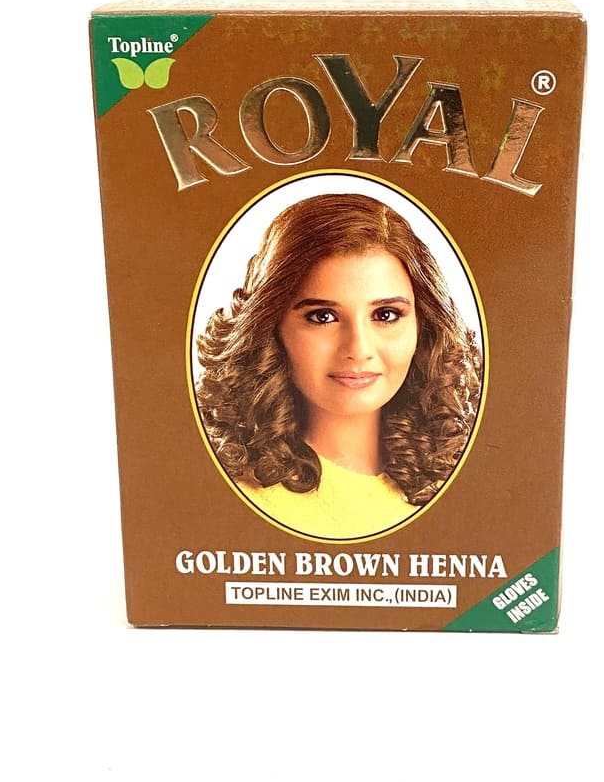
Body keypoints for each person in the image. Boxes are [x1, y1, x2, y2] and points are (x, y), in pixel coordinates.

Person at [195, 192, 483, 540]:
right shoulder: (230, 499)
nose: (358, 349)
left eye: (386, 315)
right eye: (323, 316)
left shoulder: (462, 490)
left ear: (424, 326)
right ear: (271, 327)